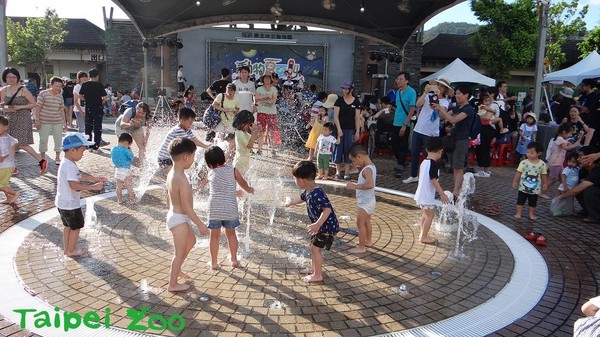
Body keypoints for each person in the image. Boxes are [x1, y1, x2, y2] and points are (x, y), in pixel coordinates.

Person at [165, 137, 209, 292]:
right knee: (179, 253)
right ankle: (172, 284)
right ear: (185, 157)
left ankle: (176, 271)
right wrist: (201, 224)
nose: (193, 160)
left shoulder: (173, 173)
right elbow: (187, 208)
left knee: (191, 241)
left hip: (176, 216)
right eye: (193, 156)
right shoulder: (181, 179)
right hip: (178, 219)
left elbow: (168, 194)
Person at [286, 161, 339, 283]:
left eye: (295, 178)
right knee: (313, 247)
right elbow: (301, 198)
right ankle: (314, 269)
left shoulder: (317, 193)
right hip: (321, 227)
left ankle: (317, 275)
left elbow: (327, 210)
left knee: (315, 249)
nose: (295, 181)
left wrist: (317, 224)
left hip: (326, 227)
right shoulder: (309, 191)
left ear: (302, 180)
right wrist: (291, 202)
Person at [204, 146, 254, 270]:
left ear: (209, 163)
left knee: (214, 236)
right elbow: (243, 183)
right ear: (223, 157)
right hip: (230, 207)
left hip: (214, 208)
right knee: (231, 234)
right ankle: (234, 260)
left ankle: (214, 263)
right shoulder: (233, 170)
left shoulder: (211, 172)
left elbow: (217, 187)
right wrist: (249, 189)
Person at [56, 133, 106, 257]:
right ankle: (72, 250)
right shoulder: (69, 166)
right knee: (76, 227)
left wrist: (94, 178)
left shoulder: (66, 162)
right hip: (70, 204)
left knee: (68, 226)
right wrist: (92, 187)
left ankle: (67, 249)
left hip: (62, 203)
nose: (83, 155)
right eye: (82, 151)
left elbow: (79, 177)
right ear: (73, 150)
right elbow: (74, 185)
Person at [0, 67, 47, 174]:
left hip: (23, 117)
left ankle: (41, 161)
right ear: (5, 78)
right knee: (10, 143)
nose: (11, 79)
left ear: (18, 78)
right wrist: (5, 107)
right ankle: (12, 167)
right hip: (9, 118)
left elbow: (34, 104)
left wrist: (19, 107)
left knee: (22, 144)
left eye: (13, 77)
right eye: (8, 77)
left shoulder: (23, 89)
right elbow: (3, 106)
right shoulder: (3, 90)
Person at [403, 77, 449, 183]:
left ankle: (429, 176)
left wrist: (437, 104)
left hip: (431, 132)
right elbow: (418, 104)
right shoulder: (429, 96)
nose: (439, 87)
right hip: (419, 128)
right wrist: (425, 92)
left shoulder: (444, 101)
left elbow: (443, 116)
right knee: (414, 153)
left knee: (428, 155)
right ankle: (414, 175)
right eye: (438, 85)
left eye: (442, 86)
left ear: (445, 89)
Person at [439, 84, 475, 200]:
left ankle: (456, 191)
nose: (457, 95)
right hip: (452, 140)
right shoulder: (456, 107)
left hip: (462, 140)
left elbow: (453, 119)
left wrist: (441, 110)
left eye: (459, 93)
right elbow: (443, 116)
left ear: (466, 95)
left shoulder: (469, 109)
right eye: (456, 93)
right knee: (454, 166)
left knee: (458, 166)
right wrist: (438, 104)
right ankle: (456, 190)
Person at [414, 137, 450, 244]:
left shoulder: (424, 162)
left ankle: (423, 233)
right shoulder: (433, 164)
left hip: (421, 195)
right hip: (426, 196)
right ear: (440, 151)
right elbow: (433, 180)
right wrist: (442, 194)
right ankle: (424, 236)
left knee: (426, 215)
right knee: (430, 216)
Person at [345, 144, 376, 253]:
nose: (355, 164)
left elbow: (370, 184)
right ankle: (368, 241)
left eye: (354, 161)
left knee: (360, 224)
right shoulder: (372, 166)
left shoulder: (367, 170)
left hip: (365, 203)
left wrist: (354, 186)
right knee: (367, 221)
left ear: (359, 157)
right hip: (370, 200)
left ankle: (361, 247)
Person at [558, 146, 600, 223]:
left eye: (580, 157)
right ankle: (588, 210)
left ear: (591, 158)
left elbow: (578, 189)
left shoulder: (597, 171)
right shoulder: (582, 170)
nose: (578, 159)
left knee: (588, 190)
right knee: (577, 185)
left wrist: (562, 196)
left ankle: (596, 215)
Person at [511, 142, 548, 220]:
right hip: (523, 187)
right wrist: (515, 181)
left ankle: (531, 214)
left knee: (533, 203)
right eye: (527, 152)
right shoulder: (524, 162)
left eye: (532, 153)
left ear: (539, 153)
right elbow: (518, 172)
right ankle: (518, 213)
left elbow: (544, 174)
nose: (529, 154)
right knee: (520, 201)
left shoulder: (542, 164)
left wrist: (545, 183)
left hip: (535, 188)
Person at [34, 76, 67, 165]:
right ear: (51, 85)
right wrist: (37, 119)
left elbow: (61, 109)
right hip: (44, 121)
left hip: (57, 121)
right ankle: (43, 158)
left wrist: (65, 122)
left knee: (58, 140)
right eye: (56, 86)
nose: (58, 88)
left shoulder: (60, 96)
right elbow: (38, 106)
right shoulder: (43, 94)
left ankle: (57, 157)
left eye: (60, 86)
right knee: (43, 139)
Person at [333, 80, 361, 180]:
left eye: (346, 89)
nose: (345, 91)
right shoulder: (339, 100)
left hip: (350, 129)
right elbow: (336, 116)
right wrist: (339, 129)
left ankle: (347, 171)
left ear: (351, 89)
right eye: (344, 89)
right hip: (340, 129)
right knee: (338, 149)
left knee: (348, 149)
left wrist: (358, 131)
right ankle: (337, 170)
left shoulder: (356, 102)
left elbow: (357, 118)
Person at [545, 122, 582, 196]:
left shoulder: (563, 139)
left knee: (563, 178)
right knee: (553, 179)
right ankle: (542, 192)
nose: (570, 135)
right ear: (564, 132)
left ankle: (560, 193)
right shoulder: (559, 139)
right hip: (555, 163)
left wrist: (579, 139)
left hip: (559, 163)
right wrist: (575, 145)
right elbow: (566, 147)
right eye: (570, 133)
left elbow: (571, 145)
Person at [392, 72, 417, 176]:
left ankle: (400, 166)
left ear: (406, 81)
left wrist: (405, 125)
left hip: (404, 123)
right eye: (397, 79)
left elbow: (411, 110)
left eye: (400, 79)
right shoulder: (397, 92)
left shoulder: (411, 92)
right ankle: (402, 161)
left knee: (402, 145)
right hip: (395, 122)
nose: (398, 81)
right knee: (394, 145)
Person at [79, 69, 107, 151]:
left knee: (88, 126)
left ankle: (89, 145)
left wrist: (86, 99)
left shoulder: (84, 85)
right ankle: (96, 146)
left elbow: (80, 95)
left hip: (88, 107)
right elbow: (104, 97)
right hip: (98, 107)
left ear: (89, 76)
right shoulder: (100, 85)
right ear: (97, 76)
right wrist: (101, 101)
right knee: (97, 127)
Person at [255, 74, 279, 156]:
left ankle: (273, 149)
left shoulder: (274, 89)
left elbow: (273, 101)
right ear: (262, 79)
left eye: (269, 78)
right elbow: (256, 98)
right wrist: (267, 96)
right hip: (261, 112)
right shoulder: (259, 88)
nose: (267, 80)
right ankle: (259, 149)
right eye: (265, 78)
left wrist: (262, 100)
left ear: (271, 80)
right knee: (261, 131)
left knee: (272, 132)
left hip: (272, 113)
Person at [232, 110, 260, 176]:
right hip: (239, 162)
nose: (249, 127)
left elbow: (252, 141)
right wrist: (253, 133)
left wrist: (256, 131)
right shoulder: (239, 133)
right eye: (249, 124)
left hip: (244, 161)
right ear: (242, 123)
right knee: (242, 181)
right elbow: (249, 146)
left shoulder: (245, 134)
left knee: (243, 181)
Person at [111, 133, 135, 205]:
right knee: (129, 186)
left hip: (118, 169)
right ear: (126, 143)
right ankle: (132, 200)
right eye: (128, 145)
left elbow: (113, 158)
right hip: (126, 170)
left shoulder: (113, 149)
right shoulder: (125, 150)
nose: (128, 146)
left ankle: (119, 201)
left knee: (118, 186)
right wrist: (130, 150)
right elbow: (131, 157)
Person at [0, 116, 19, 204]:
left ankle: (14, 193)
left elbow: (2, 156)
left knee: (2, 185)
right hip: (9, 165)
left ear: (6, 127)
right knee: (4, 183)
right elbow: (14, 143)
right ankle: (9, 199)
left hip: (3, 166)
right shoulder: (8, 137)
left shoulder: (2, 141)